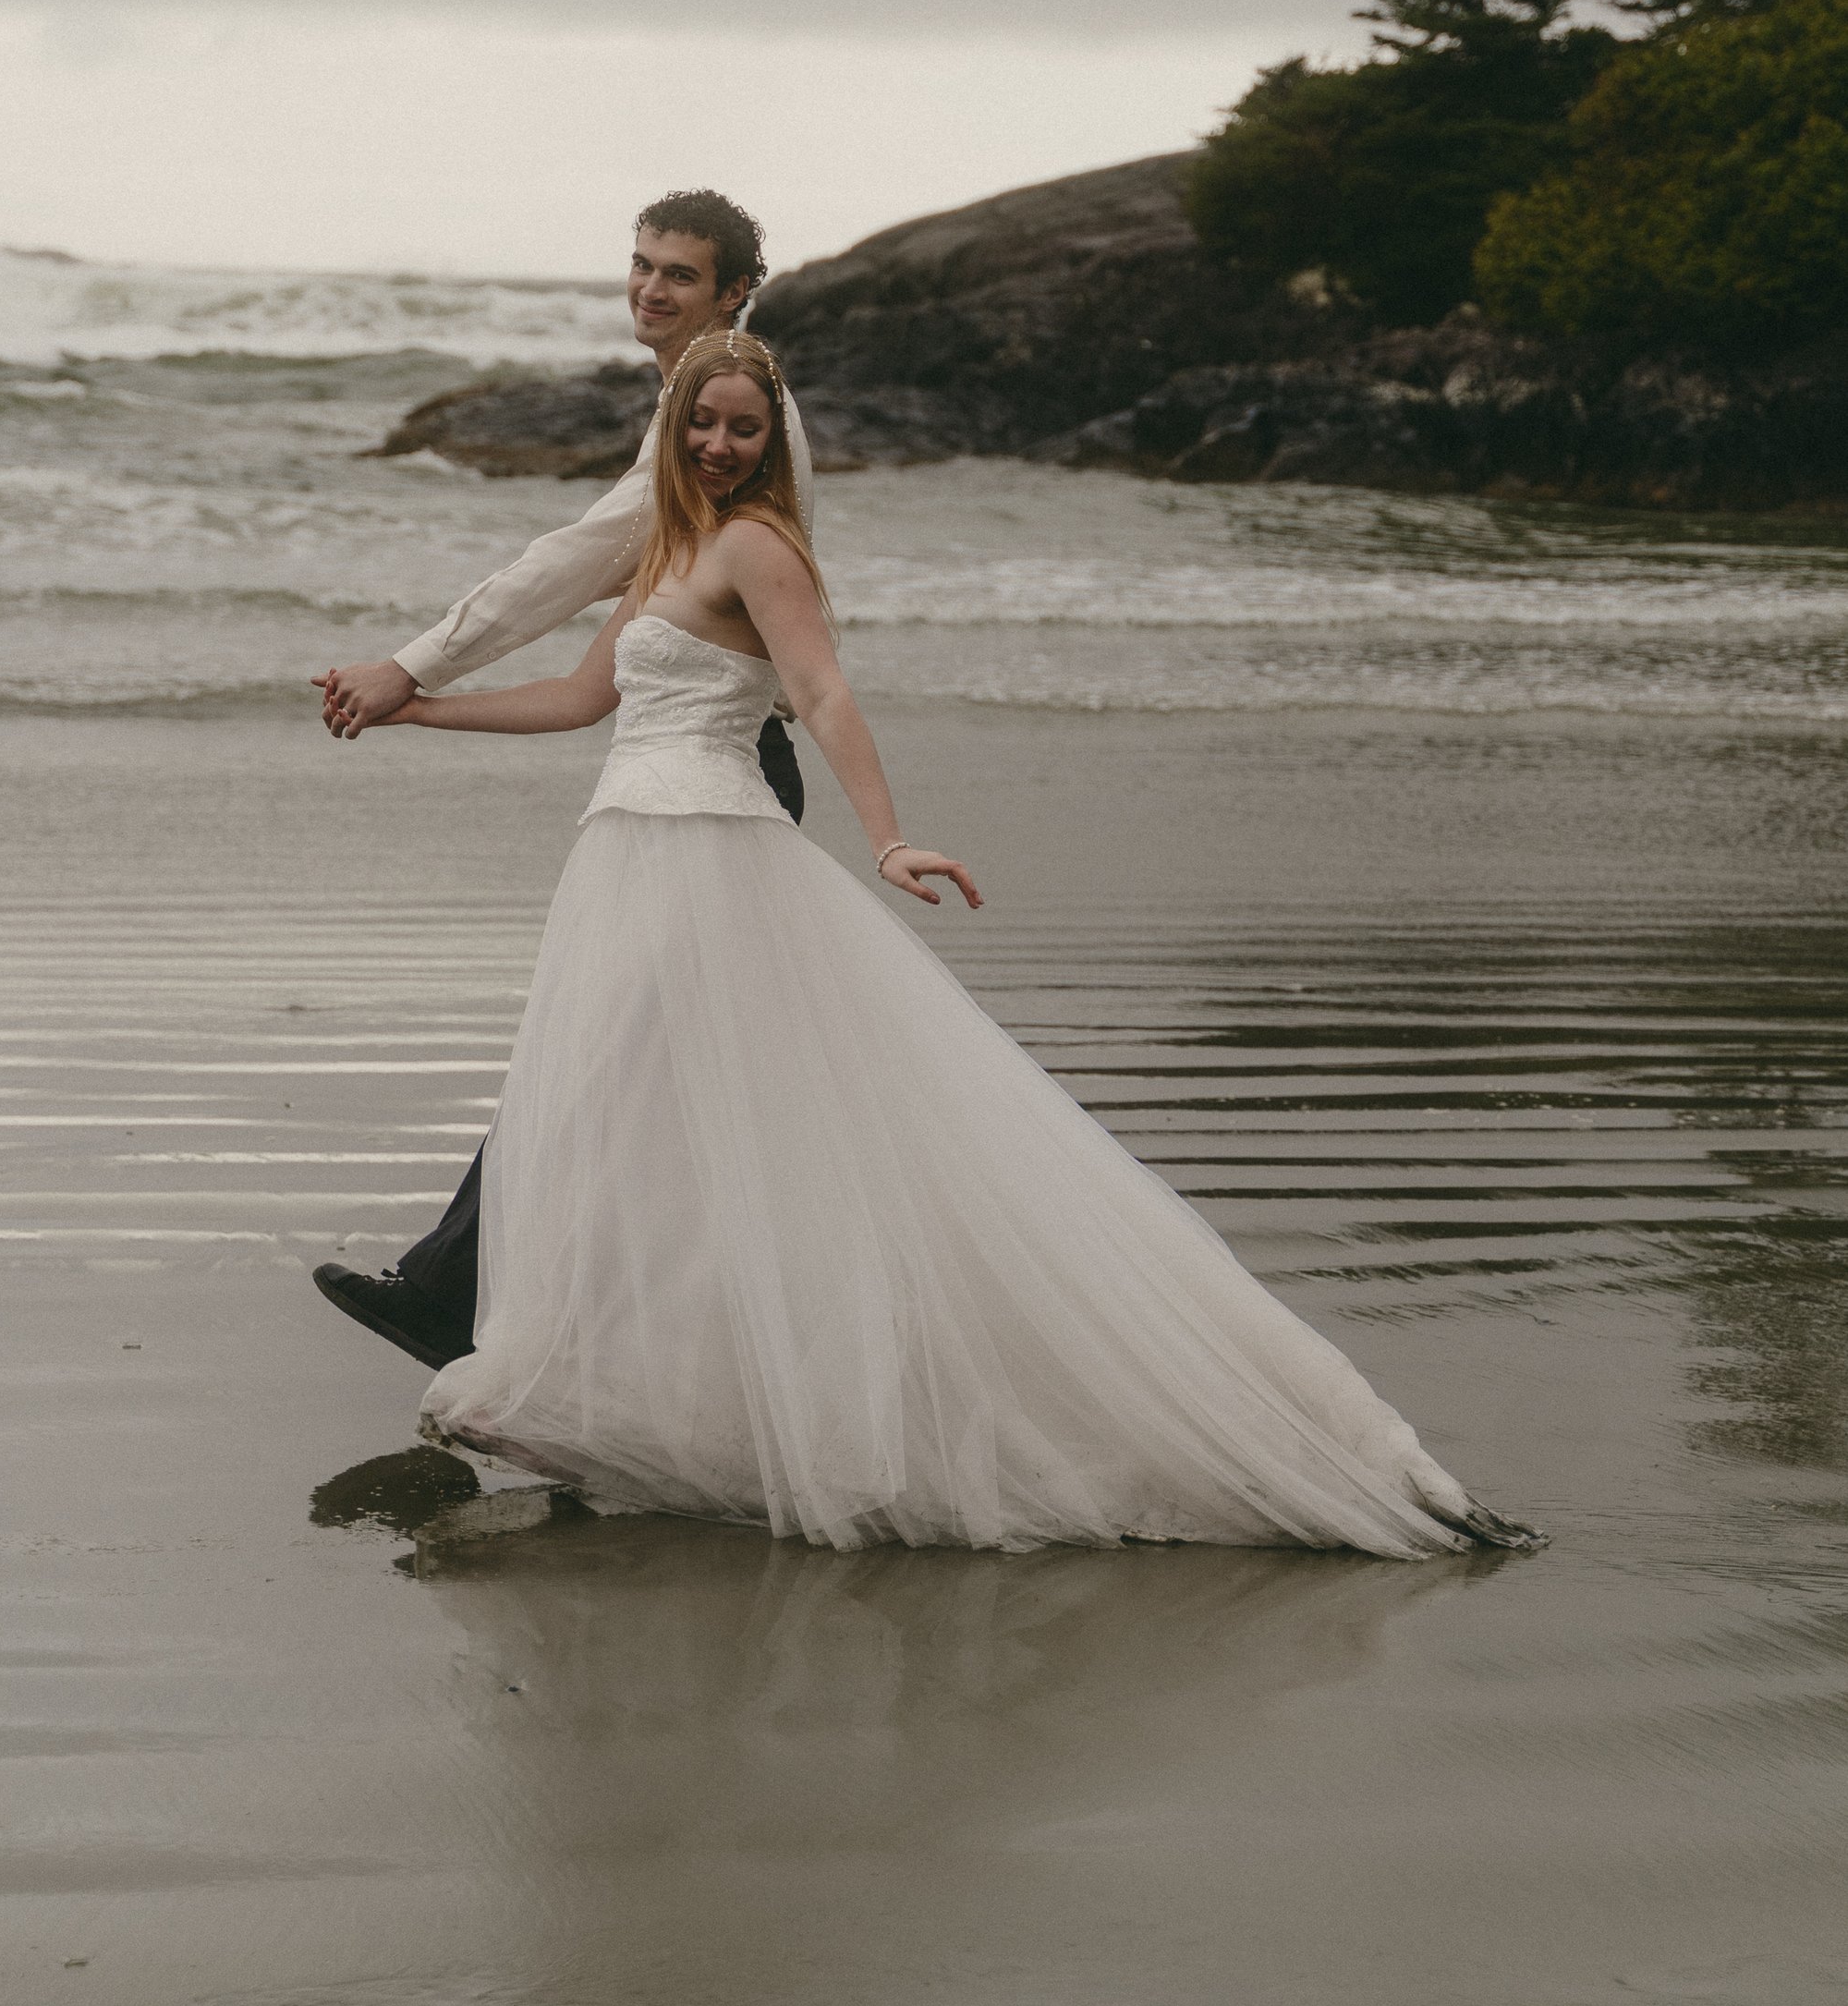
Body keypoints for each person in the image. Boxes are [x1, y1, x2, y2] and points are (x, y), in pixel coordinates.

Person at [354, 324, 1538, 1557]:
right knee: (654, 1136)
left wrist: (887, 837)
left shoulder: (761, 544)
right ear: (671, 424)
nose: (716, 443)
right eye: (700, 423)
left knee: (694, 1125)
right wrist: (417, 704)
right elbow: (582, 699)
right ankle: (627, 1391)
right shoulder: (665, 548)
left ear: (773, 440)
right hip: (626, 858)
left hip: (709, 857)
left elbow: (821, 693)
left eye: (742, 428)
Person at [312, 188, 812, 1370]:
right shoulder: (705, 422)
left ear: (736, 290)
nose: (648, 290)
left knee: (601, 1070)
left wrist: (411, 664)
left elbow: (577, 558)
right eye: (639, 266)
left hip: (723, 786)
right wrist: (427, 699)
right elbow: (622, 612)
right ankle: (582, 1323)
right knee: (623, 1078)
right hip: (693, 777)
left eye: (678, 276)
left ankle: (469, 1300)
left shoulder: (725, 413)